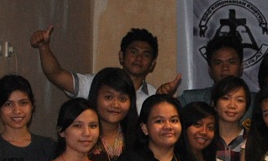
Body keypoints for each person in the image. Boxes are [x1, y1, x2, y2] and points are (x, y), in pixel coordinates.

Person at [30, 25, 177, 107]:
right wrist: (43, 47)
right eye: (133, 52)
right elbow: (56, 74)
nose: (139, 58)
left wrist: (161, 100)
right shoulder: (97, 83)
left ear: (152, 64)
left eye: (146, 55)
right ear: (121, 56)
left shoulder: (153, 96)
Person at [84, 67, 139, 161]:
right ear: (95, 97)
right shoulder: (82, 136)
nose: (116, 105)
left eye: (122, 99)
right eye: (109, 97)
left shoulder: (140, 137)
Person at [177, 33, 246, 108]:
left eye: (231, 62)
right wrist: (167, 96)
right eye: (218, 63)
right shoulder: (189, 100)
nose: (225, 68)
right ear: (210, 69)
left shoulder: (254, 103)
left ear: (241, 67)